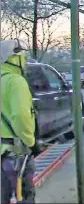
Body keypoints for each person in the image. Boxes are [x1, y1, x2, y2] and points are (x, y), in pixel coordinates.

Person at [1, 39, 42, 204]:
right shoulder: (16, 81)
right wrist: (31, 141)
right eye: (22, 56)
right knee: (24, 197)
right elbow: (20, 116)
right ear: (14, 58)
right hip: (17, 153)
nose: (25, 60)